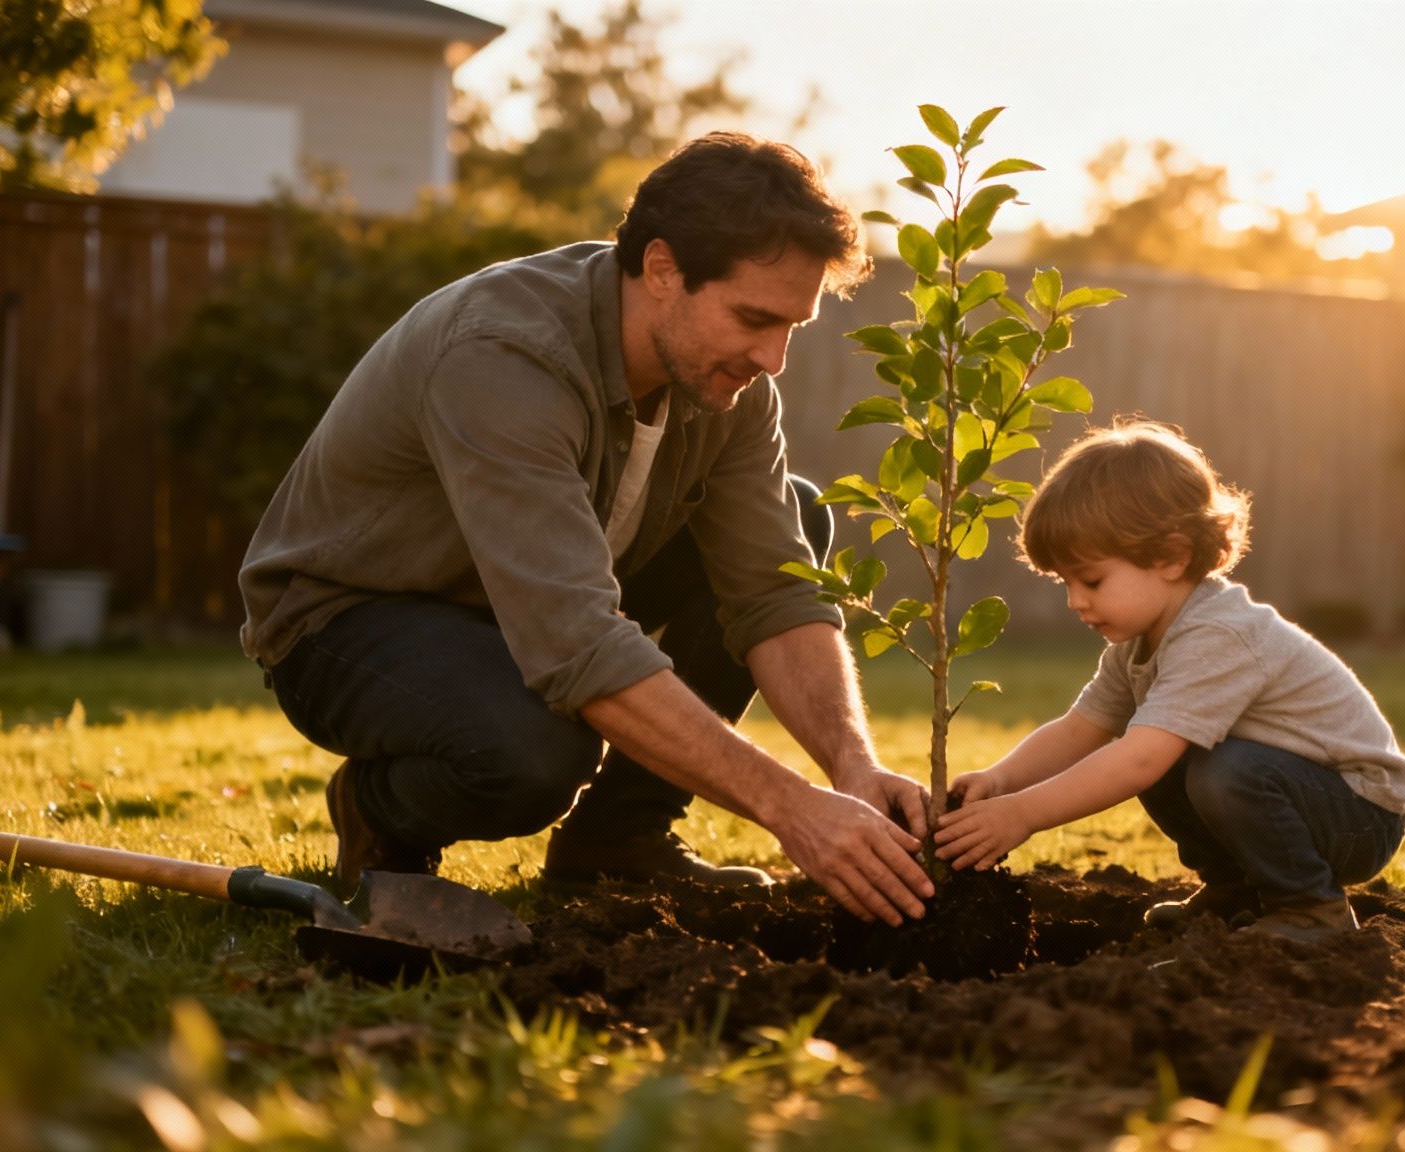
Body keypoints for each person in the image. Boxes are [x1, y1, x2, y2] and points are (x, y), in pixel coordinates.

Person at [238, 132, 935, 926]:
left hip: (527, 602)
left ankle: (617, 842)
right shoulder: (504, 355)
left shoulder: (726, 386)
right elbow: (576, 645)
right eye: (753, 318)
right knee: (533, 753)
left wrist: (852, 767)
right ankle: (380, 808)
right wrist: (791, 809)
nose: (773, 358)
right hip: (348, 620)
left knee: (798, 520)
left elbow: (773, 591)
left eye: (792, 328)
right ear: (664, 270)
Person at [934, 420, 1405, 942]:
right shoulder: (1136, 645)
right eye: (1065, 583)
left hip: (1359, 814)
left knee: (1205, 766)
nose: (1075, 601)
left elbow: (1139, 760)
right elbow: (1081, 729)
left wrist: (1023, 815)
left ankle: (1309, 907)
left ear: (1171, 556)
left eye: (1092, 580)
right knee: (1172, 756)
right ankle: (1234, 888)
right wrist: (1002, 781)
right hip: (1293, 793)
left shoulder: (1219, 633)